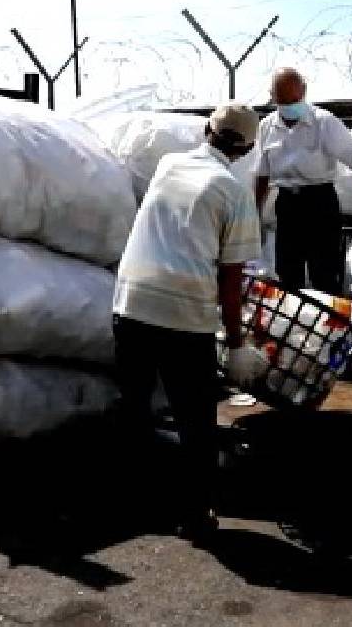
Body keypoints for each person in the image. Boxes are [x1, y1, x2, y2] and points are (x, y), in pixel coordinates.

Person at [112, 103, 266, 544]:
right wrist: (236, 343)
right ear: (249, 148)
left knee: (134, 407)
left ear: (206, 130)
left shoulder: (167, 164)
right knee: (195, 421)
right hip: (183, 316)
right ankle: (195, 516)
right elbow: (231, 280)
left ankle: (132, 502)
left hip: (131, 302)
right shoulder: (233, 192)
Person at [253, 68, 352, 294]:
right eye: (282, 101)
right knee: (288, 274)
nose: (288, 107)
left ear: (303, 93)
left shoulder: (324, 122)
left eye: (293, 100)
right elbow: (262, 174)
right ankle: (294, 324)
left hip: (319, 202)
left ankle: (330, 325)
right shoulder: (267, 127)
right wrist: (256, 213)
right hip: (288, 205)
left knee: (325, 273)